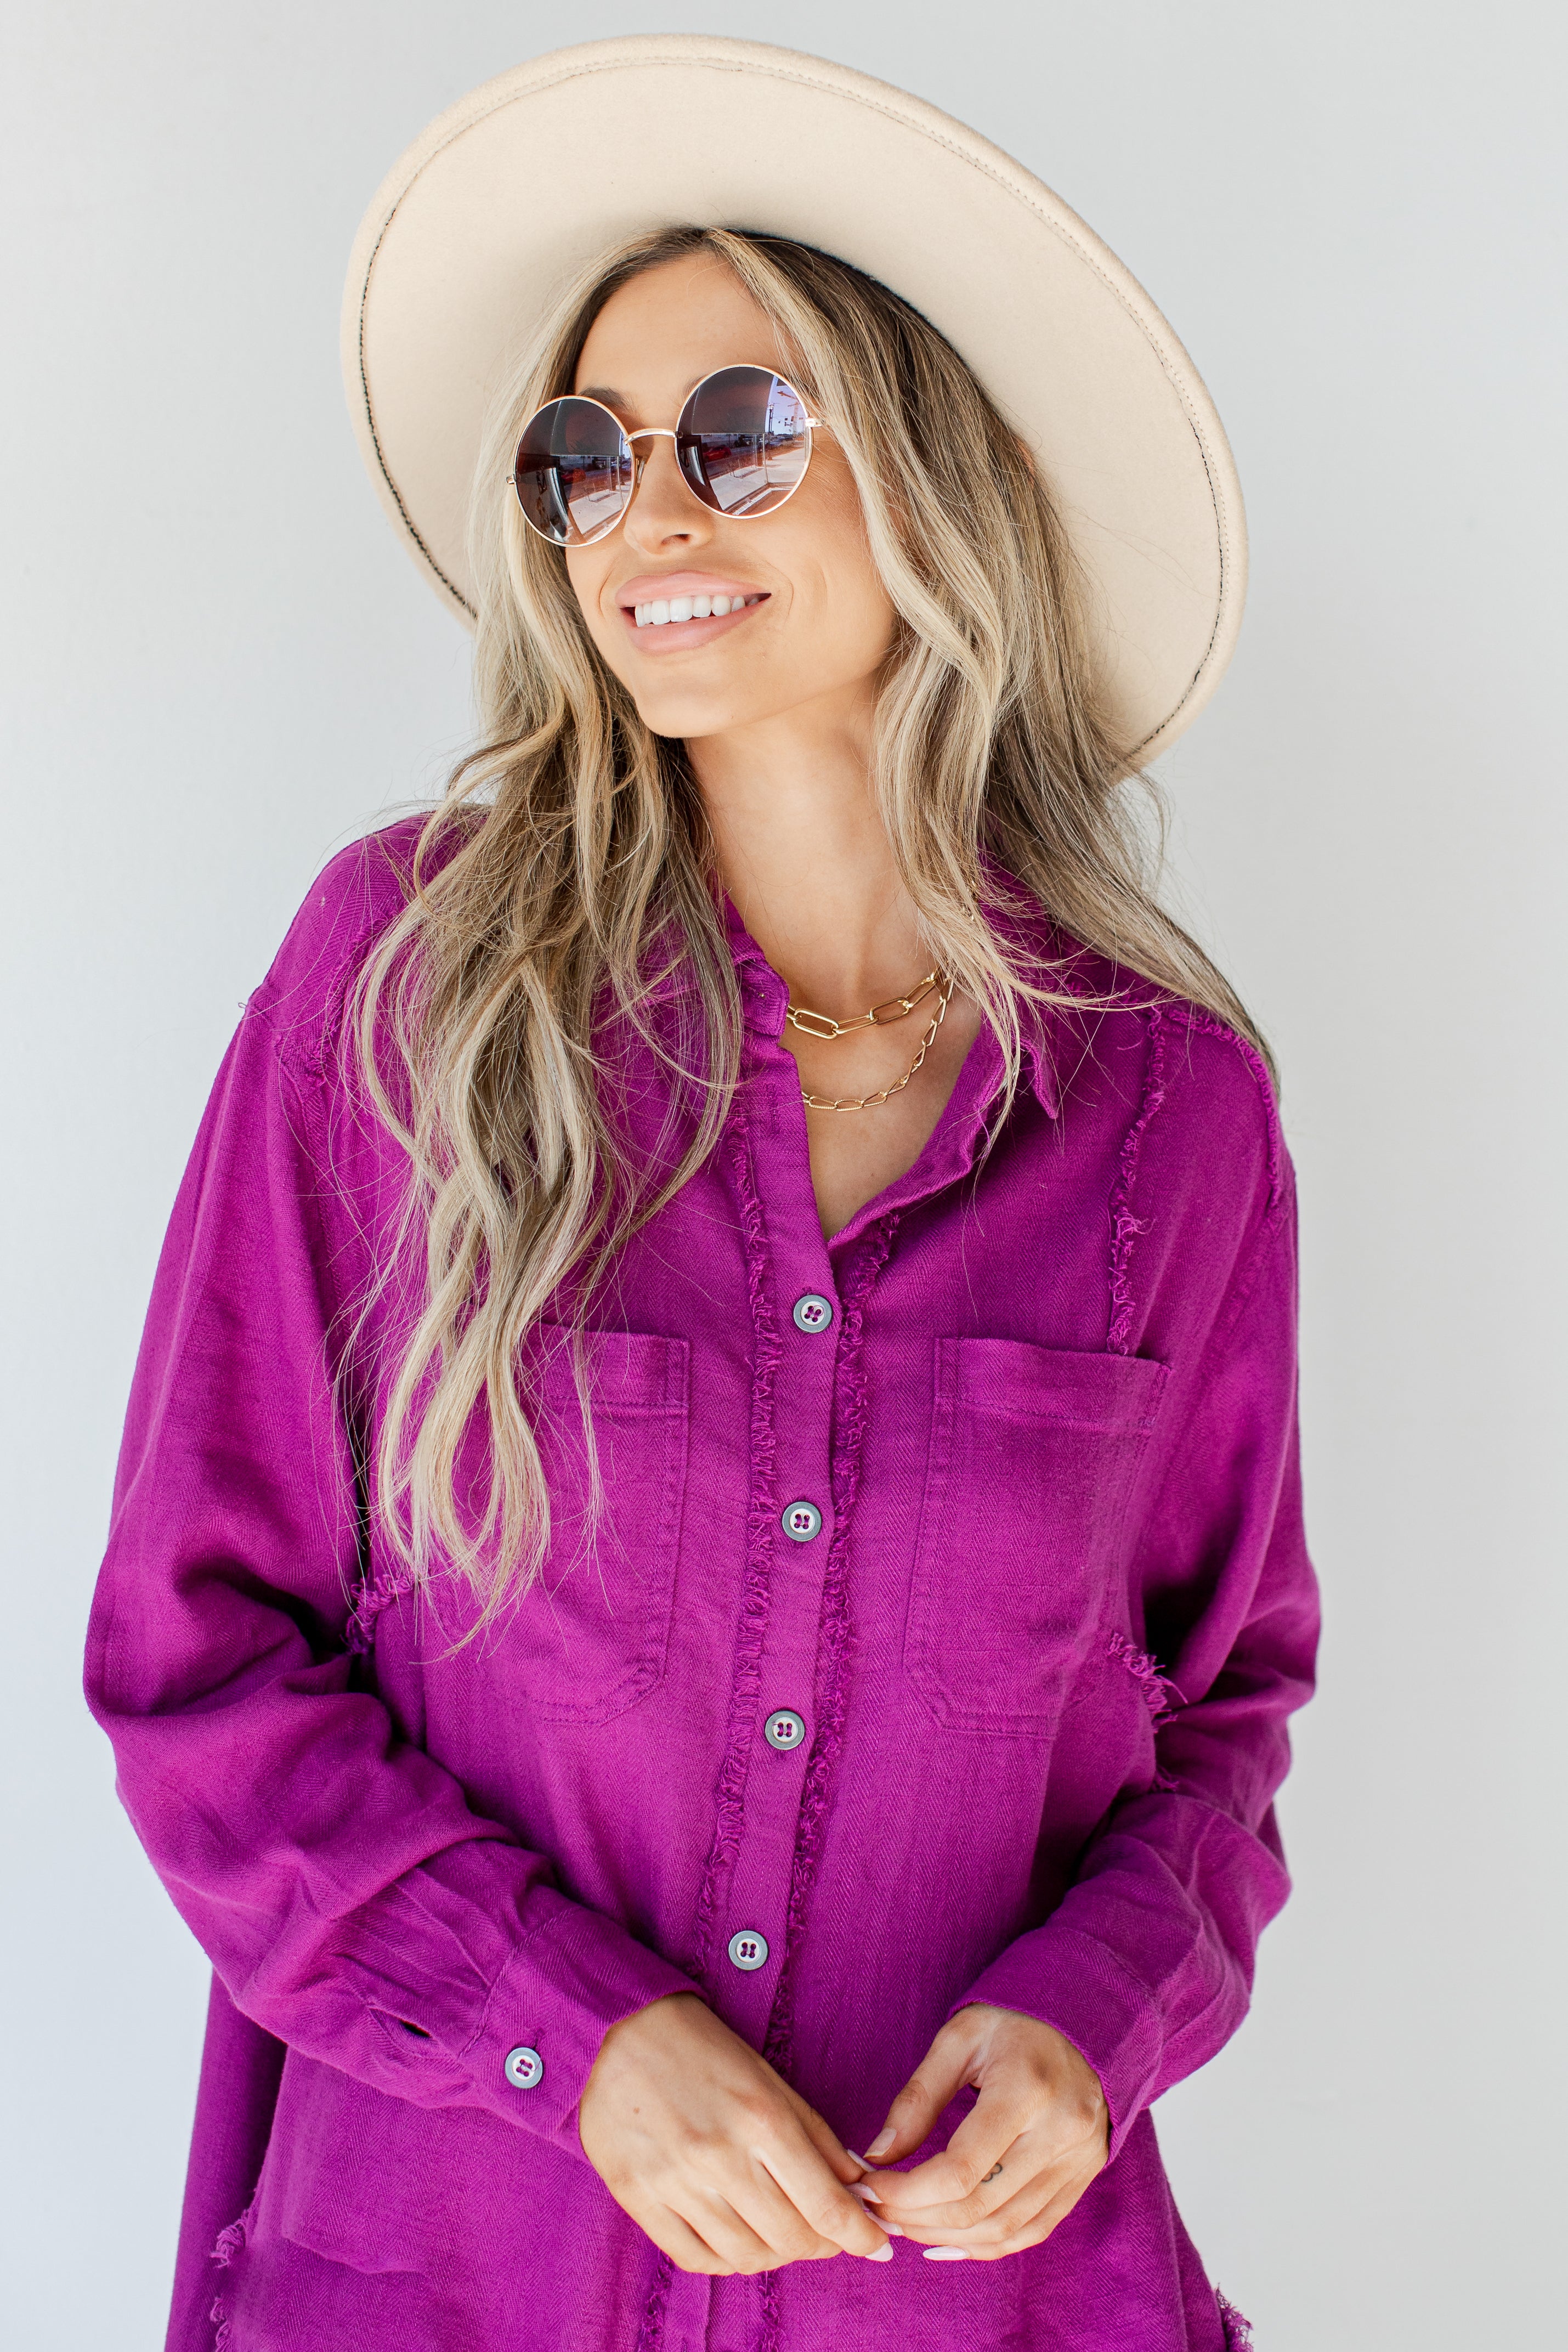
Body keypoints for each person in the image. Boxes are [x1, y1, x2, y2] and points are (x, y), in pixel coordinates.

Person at [87, 38, 1317, 2352]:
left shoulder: (1172, 1117)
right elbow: (200, 1662)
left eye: (735, 435)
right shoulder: (402, 994)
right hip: (449, 2281)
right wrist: (581, 2036)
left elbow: (1219, 1718)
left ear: (936, 485)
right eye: (583, 458)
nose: (642, 514)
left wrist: (1094, 2015)